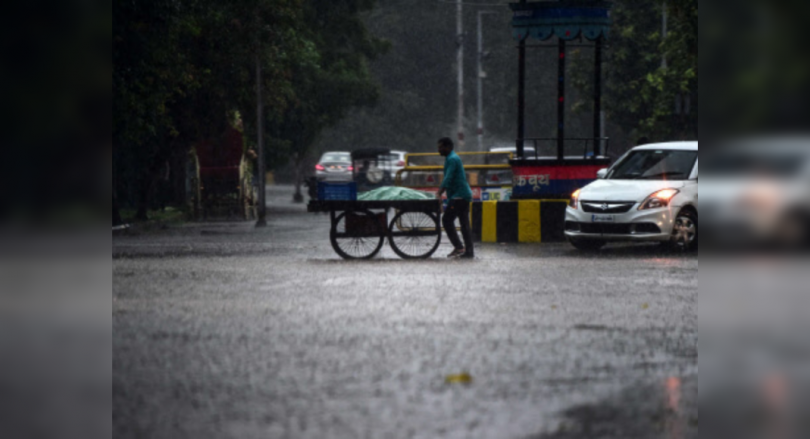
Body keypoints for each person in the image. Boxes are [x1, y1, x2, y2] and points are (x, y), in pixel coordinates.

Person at [436, 137, 474, 259]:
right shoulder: (451, 158)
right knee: (464, 224)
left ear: (448, 147)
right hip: (462, 195)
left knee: (447, 220)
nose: (439, 149)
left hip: (459, 196)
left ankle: (459, 247)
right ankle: (468, 251)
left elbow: (448, 177)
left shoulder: (452, 159)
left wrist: (440, 192)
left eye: (441, 147)